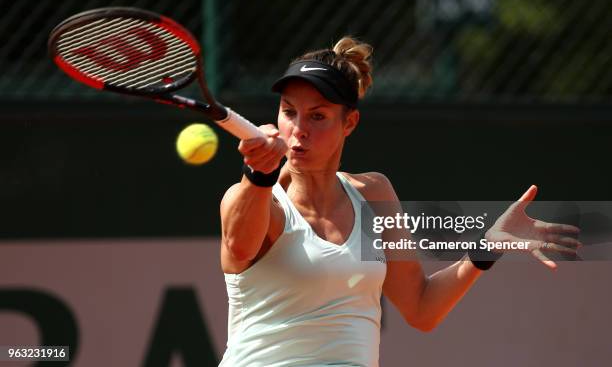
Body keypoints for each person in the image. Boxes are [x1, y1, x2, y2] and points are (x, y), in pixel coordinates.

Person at [218, 37, 581, 366]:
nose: (299, 128)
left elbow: (422, 308)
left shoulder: (374, 194)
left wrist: (486, 248)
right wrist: (258, 176)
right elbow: (240, 245)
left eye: (318, 116)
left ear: (350, 123)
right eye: (289, 111)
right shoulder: (257, 200)